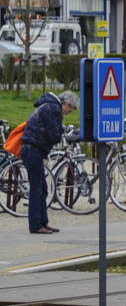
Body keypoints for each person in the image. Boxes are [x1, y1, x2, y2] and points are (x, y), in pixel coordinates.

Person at [21, 90, 77, 235]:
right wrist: (61, 131)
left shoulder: (48, 105)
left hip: (33, 149)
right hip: (33, 149)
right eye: (69, 110)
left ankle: (43, 223)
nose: (67, 114)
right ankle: (35, 225)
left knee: (42, 188)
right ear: (65, 104)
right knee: (37, 188)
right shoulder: (53, 109)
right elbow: (54, 135)